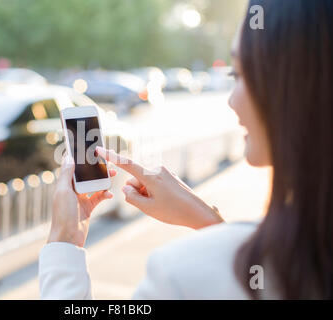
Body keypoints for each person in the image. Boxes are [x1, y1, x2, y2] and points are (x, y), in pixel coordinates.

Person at [39, 0, 332, 300]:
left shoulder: (179, 275)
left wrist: (64, 243)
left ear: (298, 84)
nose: (231, 100)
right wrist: (211, 224)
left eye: (240, 75)